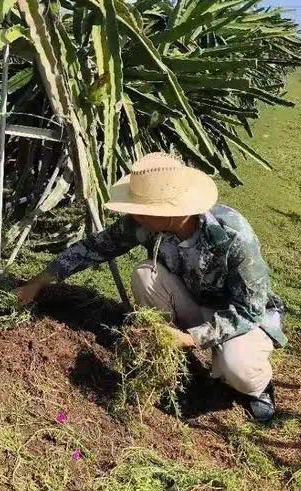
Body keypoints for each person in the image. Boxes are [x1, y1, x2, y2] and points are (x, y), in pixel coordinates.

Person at [16, 152, 284, 424]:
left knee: (236, 367)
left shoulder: (233, 237)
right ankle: (170, 354)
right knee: (145, 275)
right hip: (194, 300)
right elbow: (96, 247)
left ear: (169, 211)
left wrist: (192, 338)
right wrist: (40, 282)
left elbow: (250, 310)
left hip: (241, 318)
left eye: (141, 208)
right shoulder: (146, 223)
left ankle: (259, 389)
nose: (133, 213)